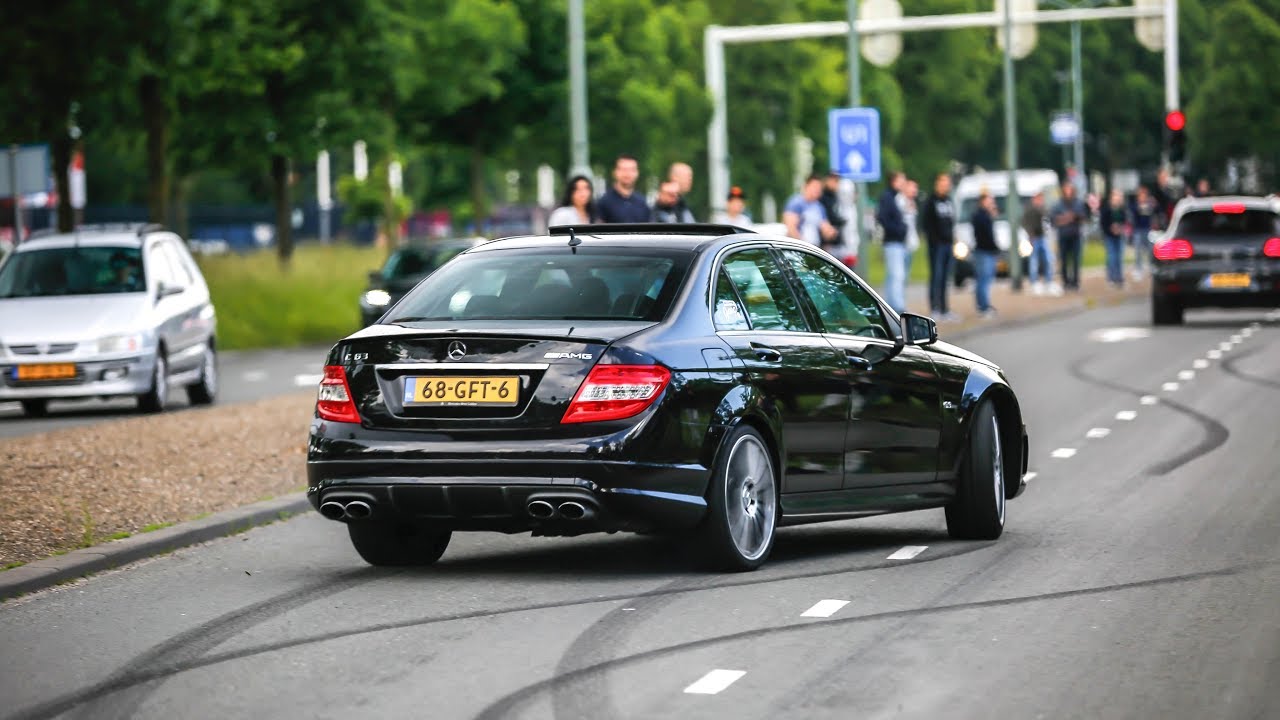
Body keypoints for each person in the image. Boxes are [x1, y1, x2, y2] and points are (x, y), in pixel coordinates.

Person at [921, 172, 957, 319]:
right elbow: (926, 223)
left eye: (947, 183)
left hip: (948, 244)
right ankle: (934, 308)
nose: (945, 186)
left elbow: (951, 221)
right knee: (936, 276)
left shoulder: (949, 201)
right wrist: (934, 239)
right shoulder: (931, 202)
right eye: (943, 182)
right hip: (936, 245)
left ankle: (945, 308)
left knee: (945, 278)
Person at [876, 172, 909, 314]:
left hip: (895, 240)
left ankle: (891, 305)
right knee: (897, 274)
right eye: (901, 180)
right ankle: (897, 307)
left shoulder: (894, 198)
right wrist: (898, 229)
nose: (903, 183)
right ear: (894, 181)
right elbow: (883, 217)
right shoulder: (888, 198)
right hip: (893, 240)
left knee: (893, 275)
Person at [1051, 181, 1087, 291]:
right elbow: (1054, 220)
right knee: (1064, 260)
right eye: (1066, 189)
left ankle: (1075, 282)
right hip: (1063, 236)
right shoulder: (1058, 204)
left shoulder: (1078, 203)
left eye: (1070, 189)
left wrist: (1070, 218)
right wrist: (1067, 218)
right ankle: (1066, 282)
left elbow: (1082, 218)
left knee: (1076, 260)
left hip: (1076, 235)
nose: (1068, 192)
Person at [784, 175, 837, 247]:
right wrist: (802, 245)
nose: (817, 190)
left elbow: (824, 226)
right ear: (806, 186)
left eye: (819, 188)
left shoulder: (819, 207)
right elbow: (791, 228)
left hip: (814, 248)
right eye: (815, 187)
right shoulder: (796, 203)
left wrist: (831, 232)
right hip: (799, 248)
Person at [1021, 191, 1058, 296]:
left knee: (1048, 259)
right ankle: (1034, 282)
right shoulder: (1030, 209)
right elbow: (1025, 222)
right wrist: (1030, 234)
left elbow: (1047, 220)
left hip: (1043, 238)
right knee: (1034, 260)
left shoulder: (1043, 209)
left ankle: (1048, 281)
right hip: (1034, 238)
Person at [597, 154, 651, 223]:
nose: (627, 173)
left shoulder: (642, 203)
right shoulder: (604, 202)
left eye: (632, 170)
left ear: (637, 173)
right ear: (615, 172)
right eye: (624, 169)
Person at [972, 193, 999, 318]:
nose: (992, 204)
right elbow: (986, 235)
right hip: (983, 251)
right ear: (983, 202)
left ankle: (984, 305)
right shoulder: (980, 216)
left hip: (986, 251)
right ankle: (983, 306)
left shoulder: (984, 216)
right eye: (989, 201)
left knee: (984, 279)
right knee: (983, 280)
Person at [1099, 188, 1130, 288]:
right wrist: (1111, 229)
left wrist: (1120, 228)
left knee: (1119, 257)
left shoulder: (1122, 209)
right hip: (1109, 236)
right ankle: (1111, 277)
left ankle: (1119, 277)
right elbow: (1103, 223)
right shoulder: (1107, 209)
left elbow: (1125, 221)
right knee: (1111, 256)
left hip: (1119, 235)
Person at [1130, 185, 1157, 280]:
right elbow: (1134, 213)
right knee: (1138, 251)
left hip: (1148, 229)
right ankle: (1138, 269)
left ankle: (1151, 266)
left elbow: (1153, 212)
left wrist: (1151, 205)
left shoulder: (1149, 204)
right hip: (1138, 230)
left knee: (1150, 250)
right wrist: (1139, 207)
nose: (1142, 197)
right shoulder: (1135, 205)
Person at [818, 171, 847, 252]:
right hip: (826, 241)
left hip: (836, 240)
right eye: (835, 181)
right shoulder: (822, 197)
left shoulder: (834, 196)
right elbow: (827, 216)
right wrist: (840, 221)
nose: (836, 184)